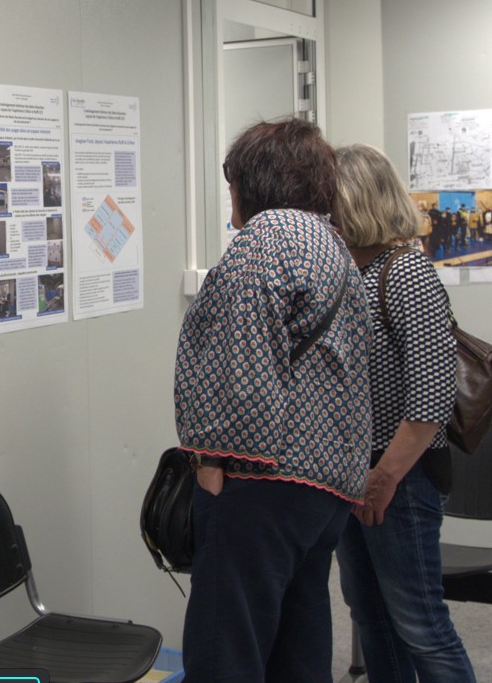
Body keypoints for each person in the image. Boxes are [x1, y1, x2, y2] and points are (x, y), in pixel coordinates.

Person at [174, 118, 371, 683]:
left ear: (252, 184)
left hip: (263, 485)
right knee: (299, 647)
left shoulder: (261, 243)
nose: (229, 198)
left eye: (231, 182)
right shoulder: (330, 245)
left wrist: (214, 461)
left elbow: (243, 365)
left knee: (225, 650)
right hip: (325, 487)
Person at [331, 144, 476, 683]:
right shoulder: (346, 274)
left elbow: (432, 398)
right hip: (355, 473)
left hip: (403, 477)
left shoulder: (407, 273)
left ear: (357, 202)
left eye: (331, 202)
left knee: (420, 624)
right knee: (371, 617)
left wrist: (384, 477)